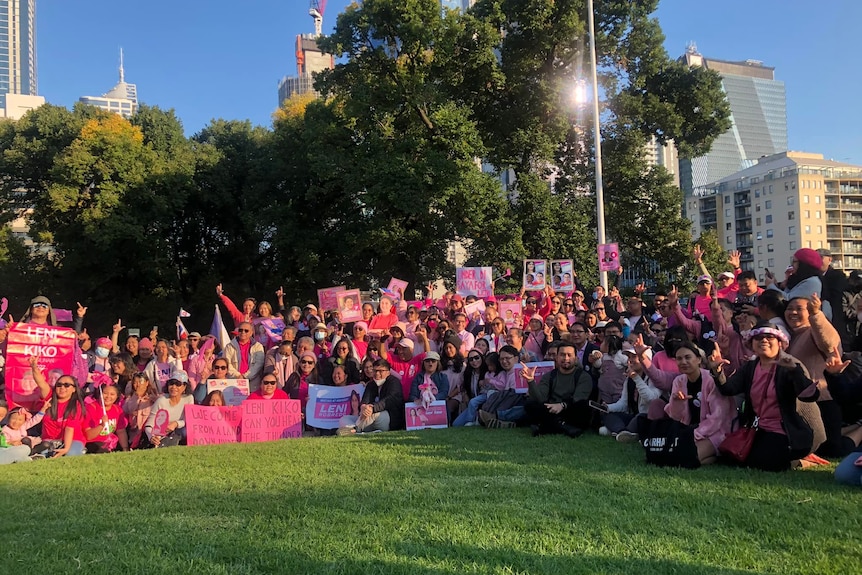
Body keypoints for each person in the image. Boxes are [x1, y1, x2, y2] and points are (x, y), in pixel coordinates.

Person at [714, 323, 821, 471]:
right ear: (751, 344)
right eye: (758, 338)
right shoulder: (750, 367)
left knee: (764, 463)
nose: (764, 341)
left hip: (785, 431)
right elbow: (728, 389)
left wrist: (795, 372)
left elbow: (810, 396)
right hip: (758, 429)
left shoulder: (790, 365)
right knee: (731, 457)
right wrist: (717, 371)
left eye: (769, 337)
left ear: (780, 343)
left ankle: (798, 461)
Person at [659, 342, 735, 465]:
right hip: (690, 431)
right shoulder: (678, 381)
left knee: (685, 459)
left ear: (699, 359)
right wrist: (677, 403)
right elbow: (675, 417)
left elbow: (718, 418)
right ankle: (713, 458)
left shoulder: (711, 381)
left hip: (716, 432)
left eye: (687, 357)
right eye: (679, 359)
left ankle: (713, 454)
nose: (683, 362)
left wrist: (695, 434)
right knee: (672, 457)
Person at [520, 342, 593, 437]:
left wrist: (562, 405)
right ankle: (563, 426)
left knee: (582, 406)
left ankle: (546, 426)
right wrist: (530, 380)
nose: (566, 358)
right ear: (557, 357)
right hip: (551, 409)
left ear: (576, 358)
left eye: (569, 355)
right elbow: (540, 398)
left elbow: (579, 397)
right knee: (530, 404)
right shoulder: (549, 376)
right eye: (562, 355)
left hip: (570, 409)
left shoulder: (583, 376)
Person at [31, 363, 87, 457]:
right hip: (49, 441)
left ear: (74, 389)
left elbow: (69, 428)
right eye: (59, 385)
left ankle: (79, 450)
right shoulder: (50, 399)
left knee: (70, 454)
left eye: (67, 385)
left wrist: (66, 448)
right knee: (47, 455)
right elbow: (41, 383)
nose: (62, 388)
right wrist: (34, 367)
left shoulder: (76, 405)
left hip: (73, 439)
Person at [338, 359, 405, 434]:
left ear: (388, 372)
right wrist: (364, 407)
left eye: (381, 371)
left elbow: (390, 400)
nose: (377, 373)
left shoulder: (394, 382)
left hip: (388, 418)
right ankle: (359, 429)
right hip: (368, 419)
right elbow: (365, 401)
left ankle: (354, 430)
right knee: (344, 419)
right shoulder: (371, 384)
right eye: (375, 370)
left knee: (374, 414)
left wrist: (372, 408)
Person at [143, 377, 195, 447]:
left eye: (178, 384)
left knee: (185, 431)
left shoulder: (189, 398)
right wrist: (151, 437)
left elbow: (189, 420)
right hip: (161, 434)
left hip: (180, 431)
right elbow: (149, 425)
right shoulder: (161, 401)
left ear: (184, 387)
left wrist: (176, 424)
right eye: (171, 384)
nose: (174, 387)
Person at [83, 384, 128, 453]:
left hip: (110, 442)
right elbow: (89, 436)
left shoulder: (117, 410)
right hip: (92, 443)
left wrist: (125, 449)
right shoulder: (90, 408)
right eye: (105, 393)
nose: (108, 397)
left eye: (112, 394)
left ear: (117, 396)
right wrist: (101, 425)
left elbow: (121, 431)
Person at [223, 321, 265, 392]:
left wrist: (245, 377)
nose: (243, 332)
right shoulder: (229, 346)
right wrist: (238, 376)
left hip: (252, 384)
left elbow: (258, 365)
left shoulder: (258, 346)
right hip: (233, 381)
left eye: (246, 331)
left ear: (251, 332)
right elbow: (227, 363)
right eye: (241, 330)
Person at [123, 372, 159, 448]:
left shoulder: (153, 396)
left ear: (146, 383)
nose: (138, 385)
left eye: (140, 382)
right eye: (135, 382)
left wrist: (151, 399)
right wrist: (136, 397)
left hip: (148, 430)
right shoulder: (130, 397)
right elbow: (127, 410)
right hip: (134, 432)